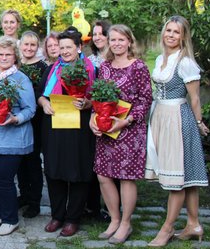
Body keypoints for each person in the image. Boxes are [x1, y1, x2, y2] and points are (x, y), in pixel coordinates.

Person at [145, 16, 210, 247]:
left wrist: (199, 122)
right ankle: (193, 224)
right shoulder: (162, 58)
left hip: (178, 119)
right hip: (161, 116)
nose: (171, 35)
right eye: (168, 30)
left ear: (184, 37)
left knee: (177, 179)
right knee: (187, 177)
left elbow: (194, 98)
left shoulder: (185, 62)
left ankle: (167, 228)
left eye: (176, 32)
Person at [88, 24, 152, 244]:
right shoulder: (105, 67)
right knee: (103, 176)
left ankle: (126, 223)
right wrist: (92, 119)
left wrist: (125, 121)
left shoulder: (139, 67)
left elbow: (145, 100)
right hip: (106, 130)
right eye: (113, 39)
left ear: (129, 42)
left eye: (121, 40)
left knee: (126, 178)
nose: (116, 43)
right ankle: (114, 219)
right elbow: (96, 96)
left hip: (130, 130)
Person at [37, 27, 96, 237]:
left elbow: (97, 99)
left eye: (69, 47)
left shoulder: (89, 69)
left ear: (79, 48)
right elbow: (41, 95)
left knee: (78, 170)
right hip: (53, 125)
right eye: (61, 47)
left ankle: (73, 218)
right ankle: (57, 215)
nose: (64, 51)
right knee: (54, 170)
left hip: (79, 128)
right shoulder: (52, 69)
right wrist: (44, 103)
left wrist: (87, 103)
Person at [0, 37, 36, 236]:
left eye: (8, 54)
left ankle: (11, 219)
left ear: (15, 57)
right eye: (0, 54)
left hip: (12, 140)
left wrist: (15, 119)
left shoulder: (20, 79)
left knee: (4, 180)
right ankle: (0, 214)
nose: (3, 57)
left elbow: (30, 109)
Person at [17, 31, 48, 218]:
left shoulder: (43, 67)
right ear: (20, 45)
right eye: (26, 44)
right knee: (19, 160)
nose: (28, 48)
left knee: (33, 160)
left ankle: (35, 201)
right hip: (16, 120)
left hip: (35, 120)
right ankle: (24, 194)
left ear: (38, 47)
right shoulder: (16, 65)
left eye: (32, 45)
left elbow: (43, 92)